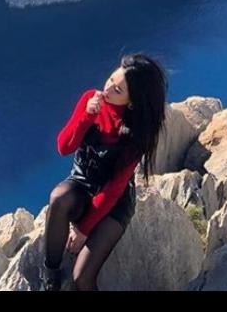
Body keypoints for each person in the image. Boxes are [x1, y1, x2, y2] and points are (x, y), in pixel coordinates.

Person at [42, 52, 168, 291]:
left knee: (82, 278)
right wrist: (87, 115)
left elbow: (115, 188)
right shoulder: (91, 99)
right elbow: (63, 146)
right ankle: (51, 276)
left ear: (132, 102)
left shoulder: (136, 133)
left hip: (115, 204)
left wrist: (83, 229)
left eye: (118, 90)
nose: (108, 89)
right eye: (111, 80)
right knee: (58, 198)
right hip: (82, 181)